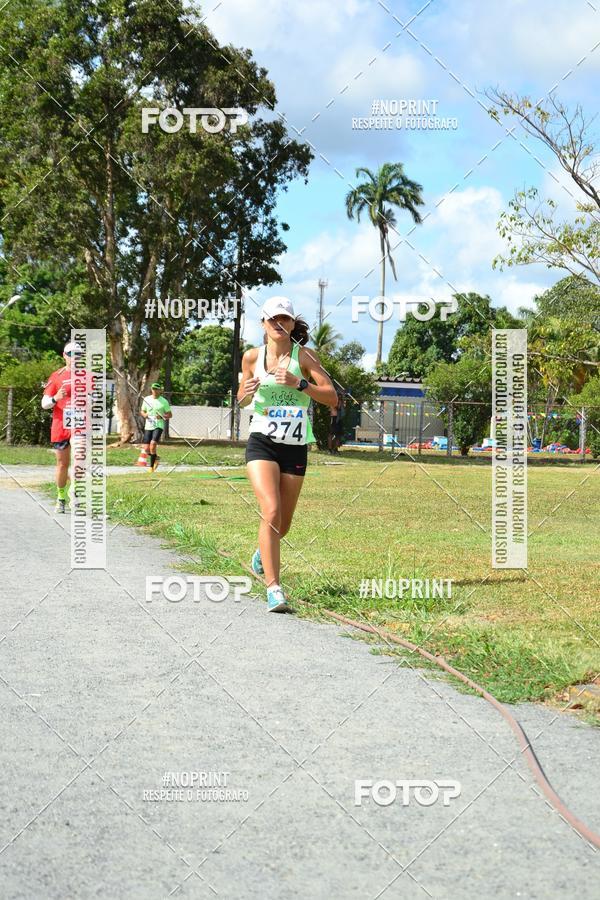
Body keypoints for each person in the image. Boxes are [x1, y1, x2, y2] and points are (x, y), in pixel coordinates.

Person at [237, 297, 337, 612]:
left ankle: (260, 555)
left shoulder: (304, 356)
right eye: (273, 319)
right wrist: (246, 393)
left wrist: (301, 384)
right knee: (271, 511)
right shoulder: (252, 357)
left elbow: (332, 396)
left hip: (294, 445)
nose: (279, 325)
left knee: (284, 524)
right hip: (261, 441)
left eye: (285, 319)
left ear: (293, 324)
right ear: (263, 323)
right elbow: (240, 399)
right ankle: (274, 588)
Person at [41, 341, 82, 513]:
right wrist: (56, 397)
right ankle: (61, 497)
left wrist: (88, 399)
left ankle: (76, 498)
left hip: (79, 425)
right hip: (60, 425)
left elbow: (94, 401)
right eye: (71, 354)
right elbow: (44, 404)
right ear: (64, 356)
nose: (75, 357)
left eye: (78, 354)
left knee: (79, 460)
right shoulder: (56, 376)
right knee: (62, 464)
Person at [140, 383, 172, 472]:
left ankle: (151, 467)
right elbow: (142, 411)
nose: (154, 390)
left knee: (153, 444)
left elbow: (170, 414)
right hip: (148, 426)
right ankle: (156, 458)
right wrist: (145, 415)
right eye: (153, 389)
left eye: (156, 389)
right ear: (151, 389)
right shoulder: (146, 399)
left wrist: (161, 416)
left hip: (158, 425)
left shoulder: (164, 401)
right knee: (146, 449)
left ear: (160, 390)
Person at [328, 387, 346, 454]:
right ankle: (330, 449)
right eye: (339, 395)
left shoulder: (341, 401)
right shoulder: (334, 400)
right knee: (331, 434)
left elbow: (342, 410)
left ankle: (335, 449)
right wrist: (340, 402)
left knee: (338, 435)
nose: (340, 396)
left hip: (339, 418)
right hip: (334, 418)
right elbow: (337, 408)